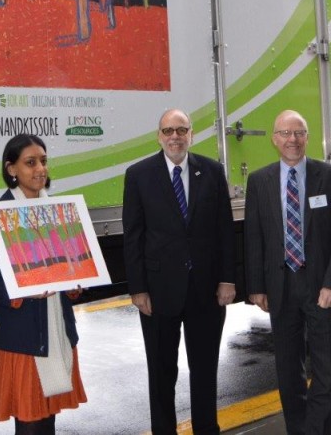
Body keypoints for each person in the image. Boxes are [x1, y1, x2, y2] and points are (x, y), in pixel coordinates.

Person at [123, 109, 236, 435]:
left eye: (181, 130)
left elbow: (224, 230)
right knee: (161, 373)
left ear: (191, 135)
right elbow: (134, 236)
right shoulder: (139, 175)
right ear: (159, 136)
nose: (175, 136)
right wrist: (138, 289)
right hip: (158, 293)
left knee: (204, 370)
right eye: (168, 130)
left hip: (206, 291)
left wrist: (227, 279)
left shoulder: (212, 172)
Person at [0, 134, 87, 435]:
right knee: (30, 422)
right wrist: (16, 293)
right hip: (21, 336)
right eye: (30, 163)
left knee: (48, 419)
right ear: (11, 169)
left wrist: (75, 285)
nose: (40, 169)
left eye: (43, 161)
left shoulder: (61, 215)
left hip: (56, 329)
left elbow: (72, 267)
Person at [244, 110, 331, 435]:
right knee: (288, 369)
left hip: (322, 286)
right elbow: (254, 237)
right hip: (280, 287)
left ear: (307, 137)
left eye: (299, 133)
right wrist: (257, 287)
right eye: (285, 133)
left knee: (329, 368)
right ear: (274, 139)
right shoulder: (259, 181)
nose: (292, 139)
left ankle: (319, 430)